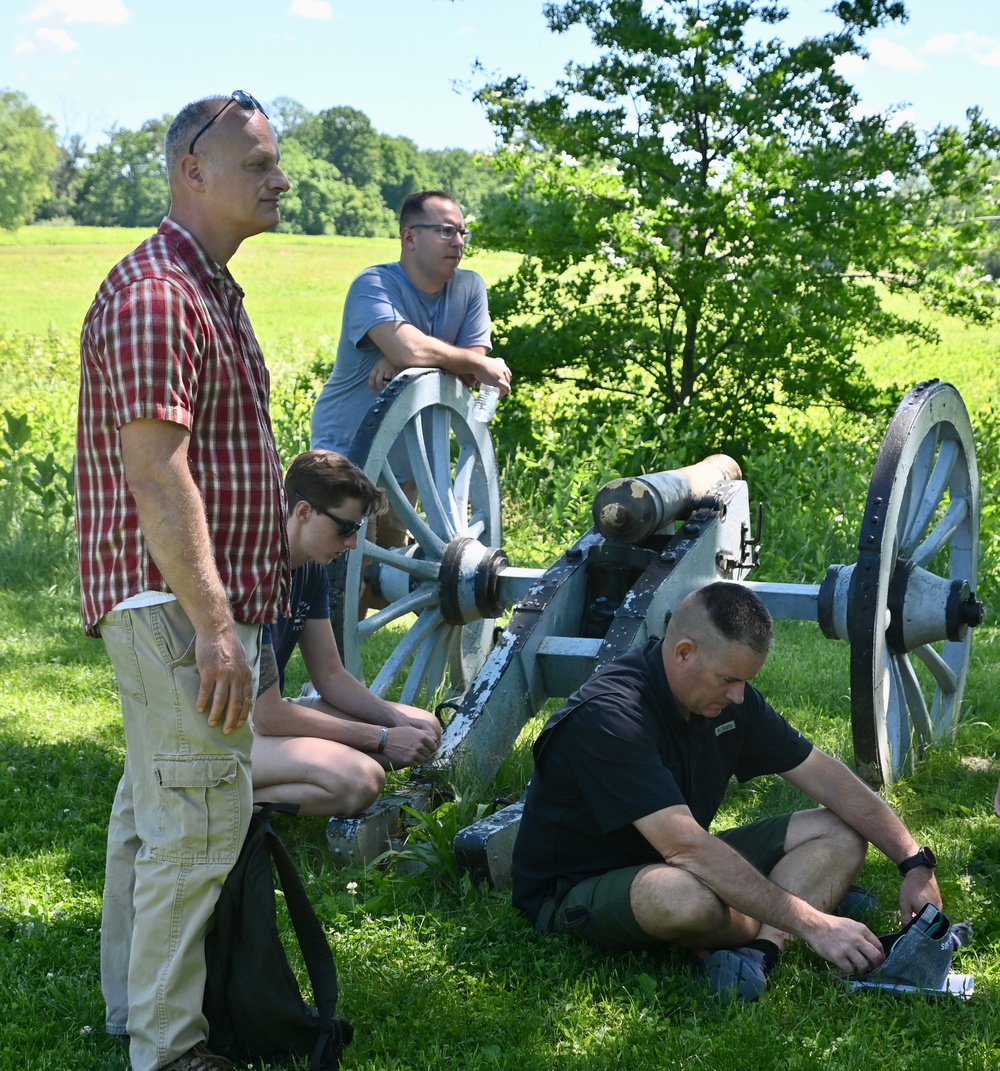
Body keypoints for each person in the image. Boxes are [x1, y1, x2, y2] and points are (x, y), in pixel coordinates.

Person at [76, 91, 291, 1071]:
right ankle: (169, 1052)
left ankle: (134, 1015)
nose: (278, 180)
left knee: (154, 819)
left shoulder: (203, 283)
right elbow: (157, 472)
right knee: (196, 828)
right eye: (257, 164)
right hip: (175, 612)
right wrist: (214, 625)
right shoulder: (164, 291)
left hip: (173, 606)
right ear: (190, 173)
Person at [511, 582, 943, 1003]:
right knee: (684, 899)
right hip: (584, 887)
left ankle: (763, 949)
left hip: (680, 860)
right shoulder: (611, 716)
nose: (739, 696)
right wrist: (814, 922)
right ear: (684, 653)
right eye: (729, 680)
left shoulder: (721, 699)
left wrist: (915, 863)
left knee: (842, 831)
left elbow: (826, 776)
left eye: (745, 682)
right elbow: (686, 846)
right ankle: (796, 903)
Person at [310, 190, 512, 551]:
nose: (459, 242)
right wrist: (405, 350)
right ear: (409, 237)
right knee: (346, 579)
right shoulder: (373, 285)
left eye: (463, 232)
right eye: (446, 231)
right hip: (348, 455)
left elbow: (468, 374)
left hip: (412, 466)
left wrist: (407, 356)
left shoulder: (469, 287)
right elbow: (433, 354)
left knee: (392, 575)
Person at [250, 449, 442, 816]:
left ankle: (289, 782)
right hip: (221, 734)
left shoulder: (310, 572)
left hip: (264, 721)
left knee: (426, 727)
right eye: (346, 528)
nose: (353, 543)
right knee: (362, 780)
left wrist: (398, 723)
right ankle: (226, 806)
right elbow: (268, 716)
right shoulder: (255, 575)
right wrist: (383, 737)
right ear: (303, 512)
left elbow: (330, 675)